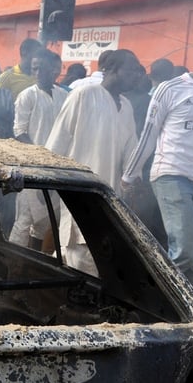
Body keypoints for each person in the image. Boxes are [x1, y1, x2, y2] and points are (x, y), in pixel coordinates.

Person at [122, 25, 193, 288]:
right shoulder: (171, 89)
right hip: (171, 175)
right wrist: (130, 175)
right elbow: (148, 136)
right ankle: (181, 314)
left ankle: (180, 306)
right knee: (183, 253)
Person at [46, 49, 142, 276]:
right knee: (79, 255)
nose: (135, 76)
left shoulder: (126, 106)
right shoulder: (84, 95)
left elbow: (132, 150)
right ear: (111, 70)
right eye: (131, 70)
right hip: (80, 190)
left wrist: (134, 180)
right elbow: (56, 143)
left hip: (110, 194)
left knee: (96, 257)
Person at [10, 49, 68, 248]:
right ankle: (13, 264)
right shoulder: (27, 96)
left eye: (40, 68)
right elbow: (19, 131)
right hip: (32, 166)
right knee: (25, 219)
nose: (36, 72)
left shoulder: (63, 96)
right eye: (33, 68)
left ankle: (37, 261)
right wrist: (38, 155)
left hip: (57, 167)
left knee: (47, 219)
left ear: (53, 69)